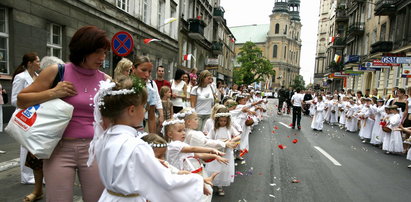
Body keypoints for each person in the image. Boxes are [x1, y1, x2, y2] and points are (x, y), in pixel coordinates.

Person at [17, 26, 108, 201]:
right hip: (59, 148)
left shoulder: (105, 80)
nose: (102, 58)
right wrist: (53, 92)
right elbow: (21, 100)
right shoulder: (57, 71)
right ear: (83, 49)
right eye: (97, 52)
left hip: (94, 149)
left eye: (104, 52)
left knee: (98, 199)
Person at [90, 78, 206, 201]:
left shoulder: (104, 138)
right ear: (132, 110)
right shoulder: (136, 145)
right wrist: (197, 181)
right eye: (143, 106)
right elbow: (165, 181)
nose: (145, 110)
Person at [11, 53, 40, 190]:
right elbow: (14, 100)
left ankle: (35, 174)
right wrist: (31, 102)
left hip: (37, 114)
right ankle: (26, 176)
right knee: (25, 146)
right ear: (30, 63)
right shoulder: (21, 77)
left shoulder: (38, 77)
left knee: (35, 145)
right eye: (37, 61)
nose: (39, 63)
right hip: (25, 115)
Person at [205, 107, 241, 196]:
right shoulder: (214, 129)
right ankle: (211, 183)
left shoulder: (230, 128)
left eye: (225, 121)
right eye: (221, 121)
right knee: (214, 168)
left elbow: (238, 136)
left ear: (228, 121)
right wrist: (219, 143)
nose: (223, 123)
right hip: (216, 152)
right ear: (217, 120)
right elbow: (208, 139)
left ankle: (220, 186)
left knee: (223, 169)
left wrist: (231, 141)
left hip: (227, 152)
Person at [132, 56, 164, 133]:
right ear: (133, 68)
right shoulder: (122, 87)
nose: (147, 75)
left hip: (139, 133)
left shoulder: (150, 91)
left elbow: (151, 118)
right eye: (143, 70)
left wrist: (152, 139)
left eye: (149, 72)